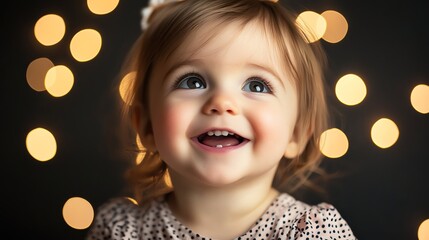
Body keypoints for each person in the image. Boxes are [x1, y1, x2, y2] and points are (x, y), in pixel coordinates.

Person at [86, 0, 357, 239]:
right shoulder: (122, 230)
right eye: (192, 81)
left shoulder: (310, 232)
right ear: (146, 126)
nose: (221, 103)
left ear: (297, 133)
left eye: (257, 86)